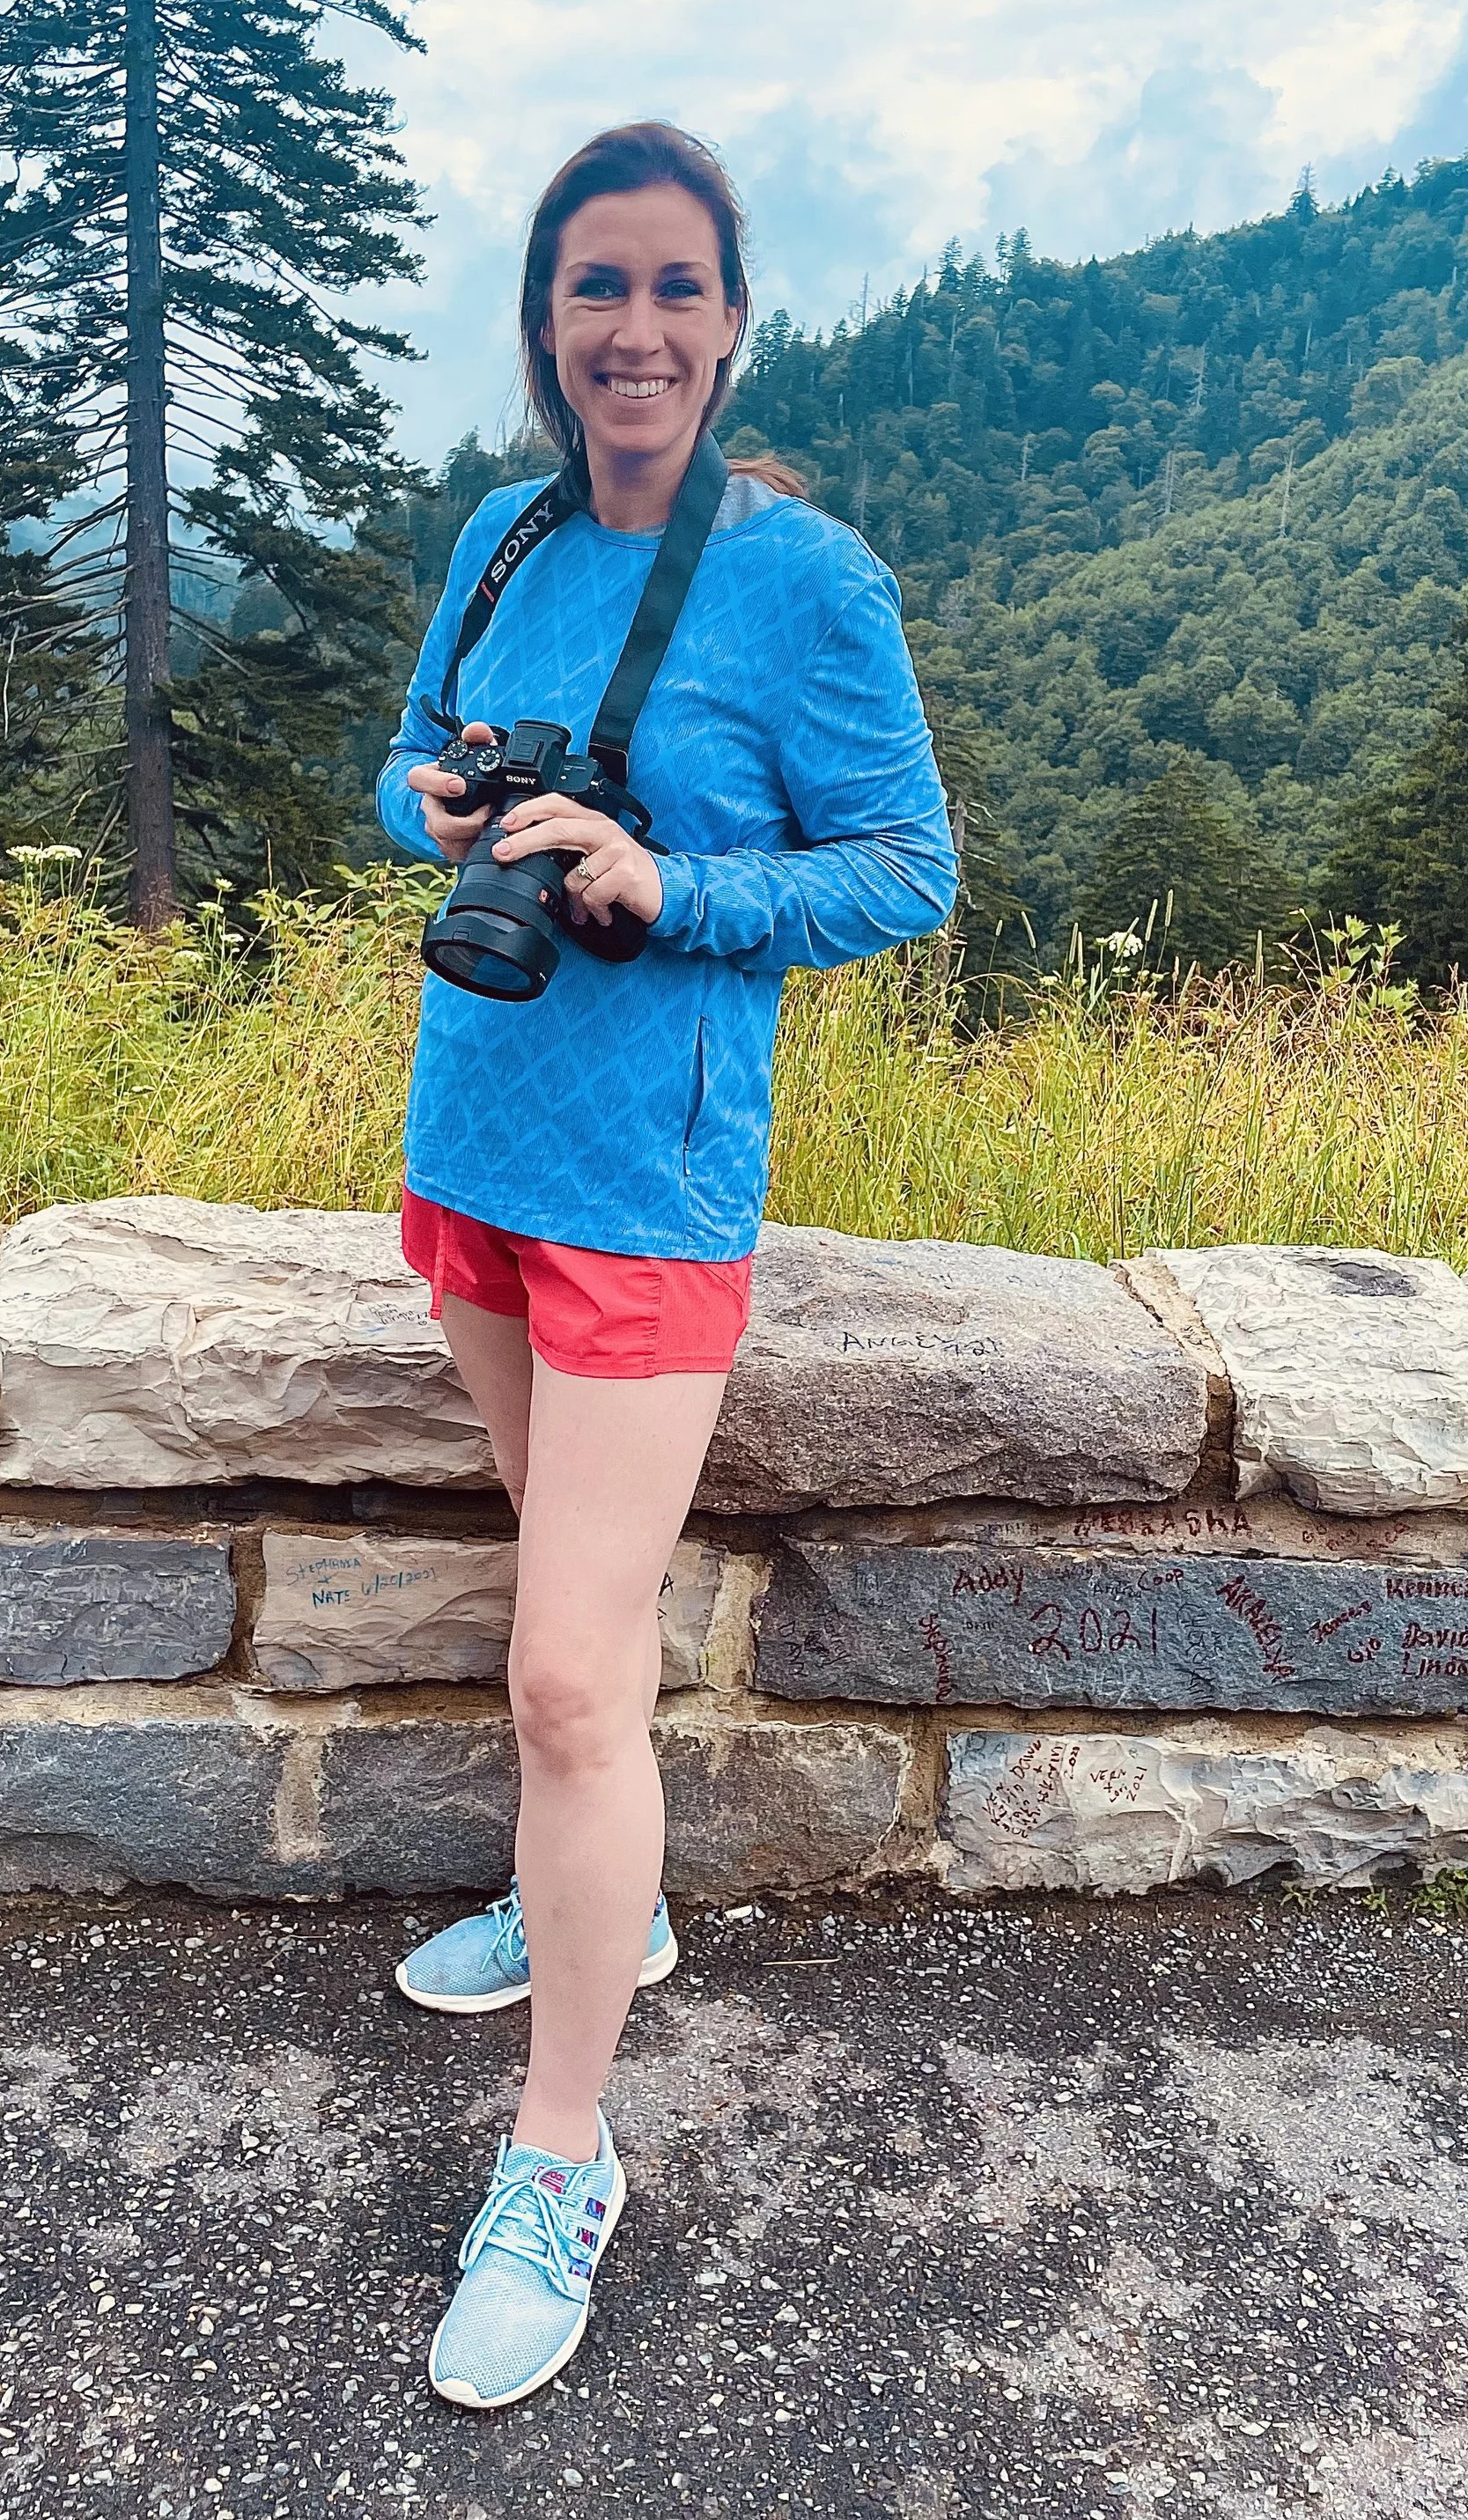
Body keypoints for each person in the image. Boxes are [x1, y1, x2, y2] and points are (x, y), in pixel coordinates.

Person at [374, 121, 956, 2410]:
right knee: (570, 1626)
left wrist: (662, 881)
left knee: (561, 1679)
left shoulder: (804, 581)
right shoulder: (496, 532)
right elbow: (401, 752)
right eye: (589, 286)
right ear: (546, 321)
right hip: (472, 1140)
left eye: (670, 287)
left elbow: (905, 870)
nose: (628, 326)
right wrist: (426, 800)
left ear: (727, 322)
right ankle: (586, 1892)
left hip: (647, 1190)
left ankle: (559, 2153)